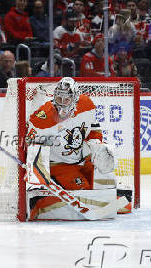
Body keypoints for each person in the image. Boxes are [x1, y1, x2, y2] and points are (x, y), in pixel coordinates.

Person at [26, 77, 121, 220]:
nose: (62, 104)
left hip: (82, 160)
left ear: (75, 98)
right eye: (59, 98)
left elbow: (93, 128)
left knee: (106, 181)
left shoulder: (86, 104)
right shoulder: (43, 117)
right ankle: (40, 200)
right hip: (60, 166)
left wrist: (96, 145)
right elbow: (27, 140)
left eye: (66, 100)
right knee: (87, 193)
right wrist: (37, 168)